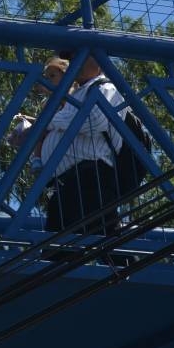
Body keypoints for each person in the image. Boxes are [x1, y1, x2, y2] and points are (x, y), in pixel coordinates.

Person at [37, 51, 125, 238]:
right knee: (59, 248)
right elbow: (70, 121)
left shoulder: (105, 87)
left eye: (83, 57)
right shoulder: (77, 93)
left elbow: (94, 120)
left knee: (104, 244)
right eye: (73, 58)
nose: (76, 62)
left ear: (99, 63)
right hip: (69, 184)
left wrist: (49, 121)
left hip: (91, 179)